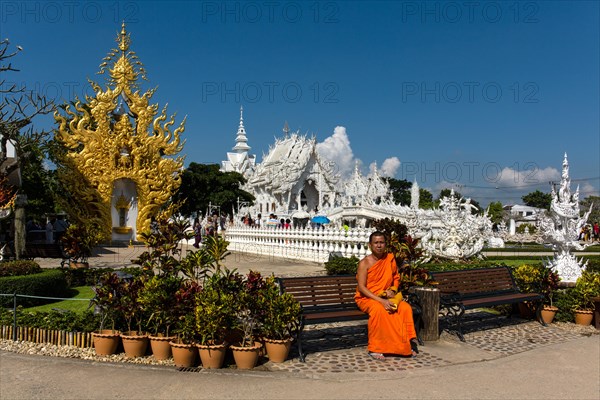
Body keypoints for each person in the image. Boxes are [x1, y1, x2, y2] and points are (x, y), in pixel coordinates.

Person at [355, 231, 418, 360]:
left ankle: (404, 344)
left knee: (405, 308)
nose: (379, 245)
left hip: (386, 296)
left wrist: (393, 290)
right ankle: (376, 348)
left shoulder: (389, 258)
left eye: (381, 242)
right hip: (367, 298)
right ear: (370, 245)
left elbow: (396, 277)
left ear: (386, 244)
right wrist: (381, 301)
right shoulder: (364, 263)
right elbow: (361, 287)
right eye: (376, 243)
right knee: (379, 310)